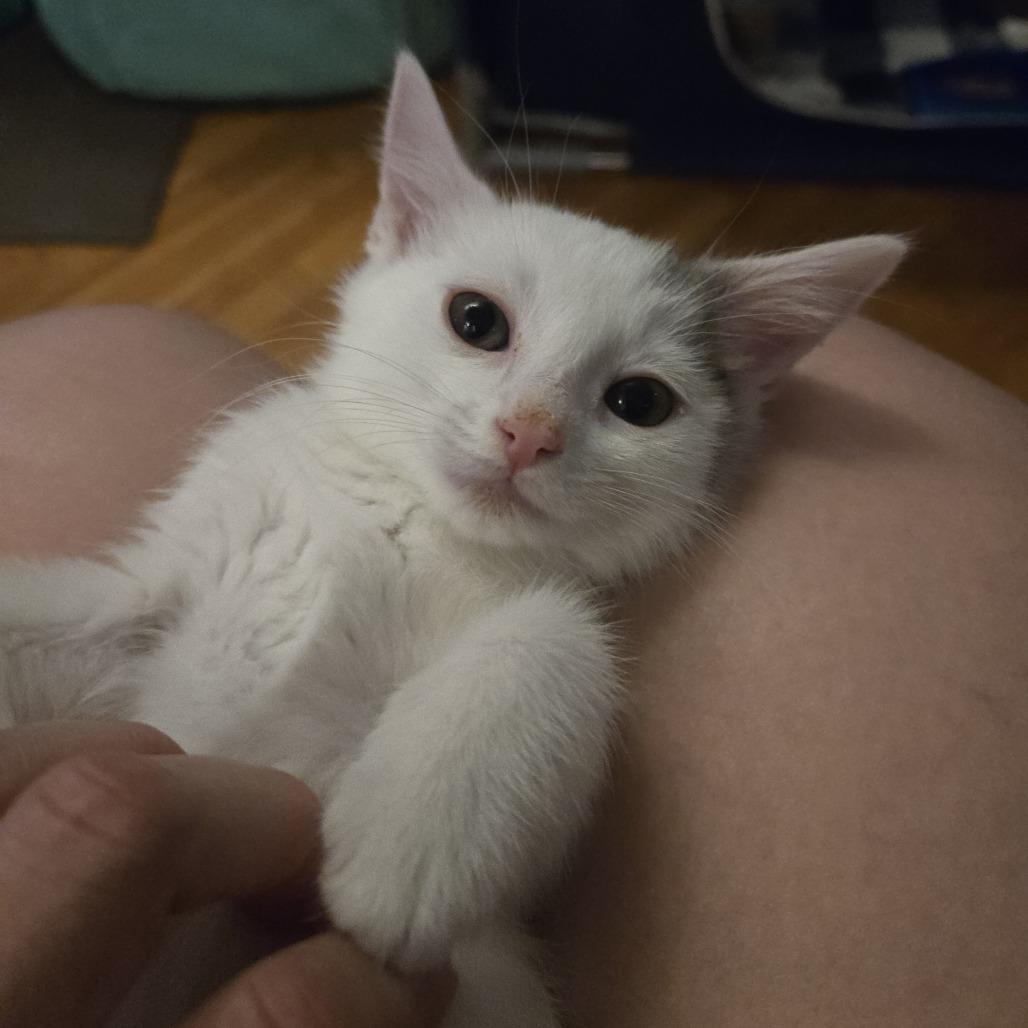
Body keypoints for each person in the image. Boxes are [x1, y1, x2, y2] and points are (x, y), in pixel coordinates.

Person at [1, 305, 1026, 1026]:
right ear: (392, 241)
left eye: (633, 398)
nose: (526, 429)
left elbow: (123, 638)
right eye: (481, 325)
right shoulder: (285, 444)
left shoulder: (541, 618)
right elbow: (120, 631)